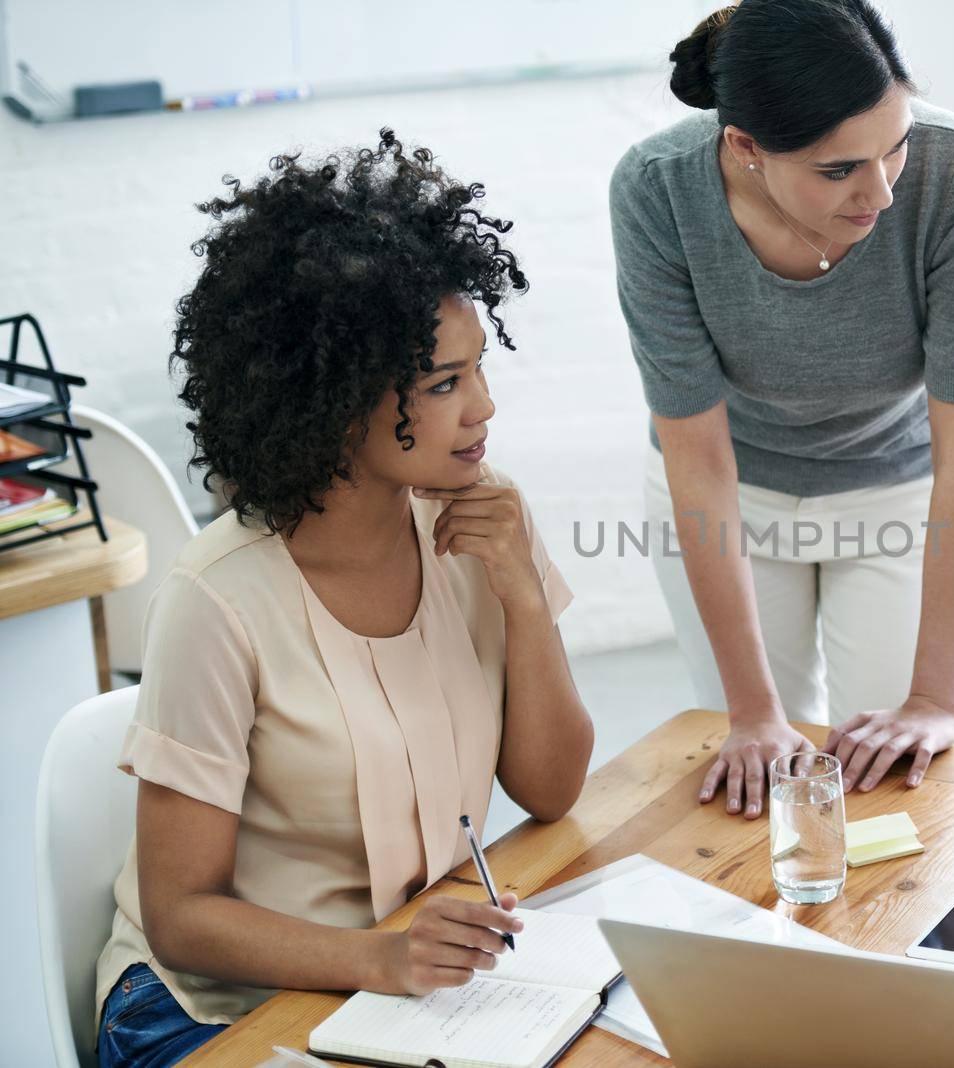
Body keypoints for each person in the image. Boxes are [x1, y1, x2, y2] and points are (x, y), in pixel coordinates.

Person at [94, 130, 594, 1067]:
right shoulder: (220, 599)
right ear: (333, 400)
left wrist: (522, 597)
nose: (483, 407)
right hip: (210, 1011)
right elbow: (180, 917)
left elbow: (552, 789)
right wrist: (382, 957)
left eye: (479, 366)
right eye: (444, 383)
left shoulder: (480, 525)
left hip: (404, 987)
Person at [611, 0, 954, 817]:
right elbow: (698, 457)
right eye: (839, 172)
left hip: (898, 488)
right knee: (767, 777)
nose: (880, 195)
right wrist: (753, 714)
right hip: (731, 488)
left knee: (894, 781)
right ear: (746, 148)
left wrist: (936, 702)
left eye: (893, 148)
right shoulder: (657, 190)